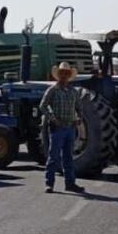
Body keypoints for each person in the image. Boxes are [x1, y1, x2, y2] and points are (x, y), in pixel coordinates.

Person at [39, 62, 84, 193]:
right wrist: (52, 118)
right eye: (62, 73)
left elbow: (79, 107)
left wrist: (79, 118)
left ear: (69, 75)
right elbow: (43, 106)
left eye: (66, 73)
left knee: (68, 157)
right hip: (57, 128)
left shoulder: (73, 92)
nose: (64, 75)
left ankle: (70, 184)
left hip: (70, 128)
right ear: (58, 75)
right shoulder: (52, 90)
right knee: (53, 157)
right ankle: (49, 184)